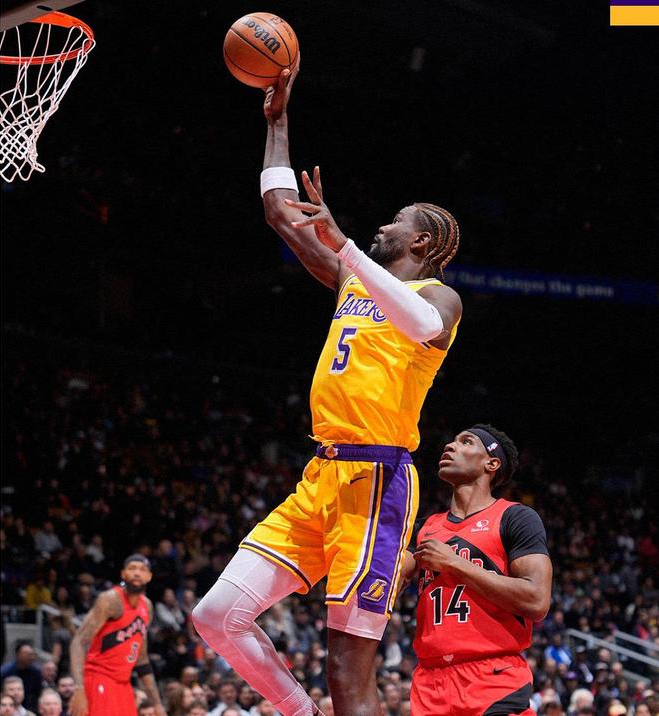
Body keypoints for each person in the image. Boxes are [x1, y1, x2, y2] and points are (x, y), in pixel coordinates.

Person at [192, 62, 462, 716]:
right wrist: (276, 120)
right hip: (321, 476)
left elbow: (421, 324)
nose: (382, 227)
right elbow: (280, 214)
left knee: (346, 668)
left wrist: (345, 247)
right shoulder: (352, 278)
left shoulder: (439, 296)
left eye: (395, 222)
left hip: (378, 482)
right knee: (216, 615)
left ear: (421, 239)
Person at [406, 424, 553, 715]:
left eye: (466, 442)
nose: (450, 446)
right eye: (452, 441)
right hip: (429, 683)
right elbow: (387, 582)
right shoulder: (423, 528)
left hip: (492, 677)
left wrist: (454, 563)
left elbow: (537, 600)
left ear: (491, 463)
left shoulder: (515, 517)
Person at [67, 555, 165, 716]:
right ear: (123, 574)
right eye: (132, 568)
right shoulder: (110, 600)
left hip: (123, 683)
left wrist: (158, 704)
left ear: (149, 576)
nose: (137, 573)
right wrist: (78, 687)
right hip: (98, 677)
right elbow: (79, 641)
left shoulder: (147, 606)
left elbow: (142, 660)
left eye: (142, 570)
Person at [1, 644, 42, 710]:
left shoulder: (36, 672)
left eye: (32, 654)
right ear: (18, 654)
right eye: (27, 654)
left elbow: (37, 693)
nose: (31, 657)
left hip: (29, 707)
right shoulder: (5, 671)